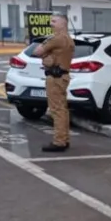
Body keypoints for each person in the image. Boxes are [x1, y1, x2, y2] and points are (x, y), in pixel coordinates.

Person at [33, 14, 75, 152]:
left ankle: (59, 142)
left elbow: (37, 51)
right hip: (63, 77)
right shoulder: (69, 39)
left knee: (56, 110)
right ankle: (64, 139)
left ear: (63, 24)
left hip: (55, 78)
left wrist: (45, 55)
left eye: (54, 21)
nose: (51, 24)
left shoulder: (56, 39)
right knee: (62, 109)